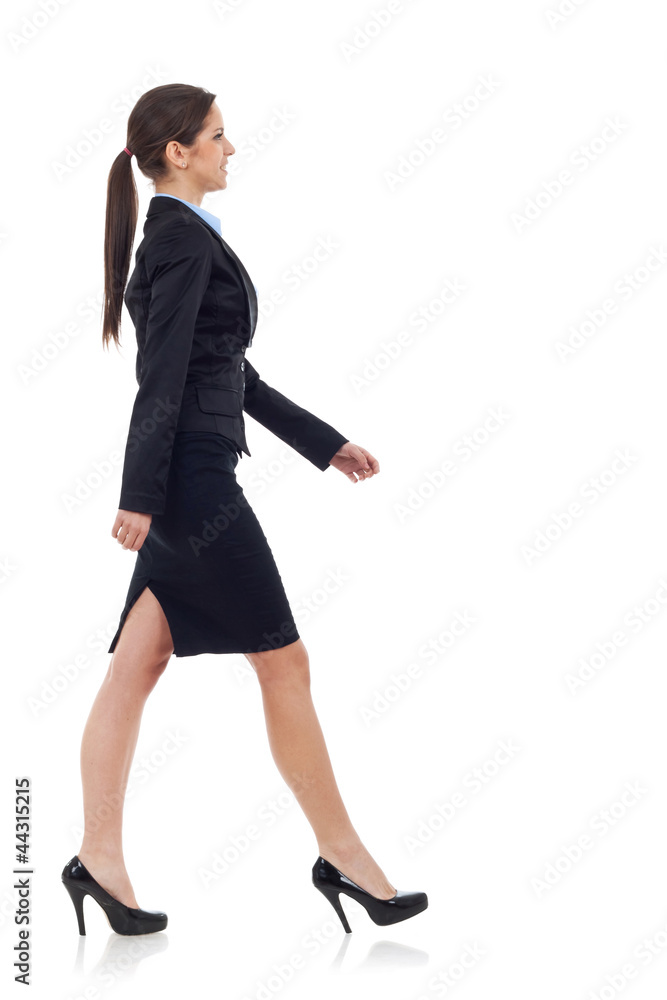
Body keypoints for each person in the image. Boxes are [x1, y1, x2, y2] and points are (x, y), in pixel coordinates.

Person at [61, 82, 427, 937]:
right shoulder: (180, 240)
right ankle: (342, 855)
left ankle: (97, 861)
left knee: (135, 669)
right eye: (219, 136)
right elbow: (162, 375)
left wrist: (322, 443)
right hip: (192, 484)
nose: (231, 149)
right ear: (178, 151)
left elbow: (226, 370)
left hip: (188, 473)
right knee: (283, 663)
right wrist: (140, 495)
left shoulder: (183, 236)